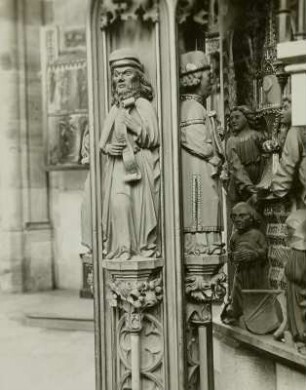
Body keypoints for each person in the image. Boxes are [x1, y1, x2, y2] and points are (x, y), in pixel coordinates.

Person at [99, 48, 160, 261]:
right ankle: (123, 249)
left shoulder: (143, 104)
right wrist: (108, 148)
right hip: (117, 166)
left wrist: (134, 125)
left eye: (126, 73)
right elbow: (103, 141)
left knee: (136, 208)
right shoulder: (115, 109)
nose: (120, 79)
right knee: (119, 204)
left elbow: (153, 138)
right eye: (116, 75)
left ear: (138, 77)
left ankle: (140, 248)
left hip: (138, 164)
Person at [180, 51, 224, 256]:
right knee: (201, 204)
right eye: (208, 76)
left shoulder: (197, 107)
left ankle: (207, 244)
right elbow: (195, 139)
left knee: (210, 202)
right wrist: (212, 152)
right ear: (195, 78)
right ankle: (202, 245)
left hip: (203, 167)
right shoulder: (191, 107)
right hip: (197, 168)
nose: (212, 80)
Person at [222, 202, 268, 324]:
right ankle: (237, 314)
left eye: (242, 216)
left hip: (256, 272)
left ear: (251, 217)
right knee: (237, 292)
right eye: (234, 216)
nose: (237, 219)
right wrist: (234, 256)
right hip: (241, 272)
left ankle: (255, 317)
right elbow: (231, 253)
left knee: (255, 293)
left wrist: (255, 254)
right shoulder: (234, 237)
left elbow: (265, 251)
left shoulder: (257, 235)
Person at [226, 106, 265, 202]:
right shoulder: (232, 141)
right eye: (231, 119)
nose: (233, 121)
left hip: (260, 181)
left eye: (237, 117)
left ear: (247, 118)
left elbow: (266, 158)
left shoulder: (257, 136)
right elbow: (236, 165)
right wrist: (247, 185)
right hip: (240, 186)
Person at [284, 210, 306, 355]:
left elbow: (295, 274)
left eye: (289, 230)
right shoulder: (298, 251)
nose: (286, 233)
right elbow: (296, 274)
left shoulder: (298, 252)